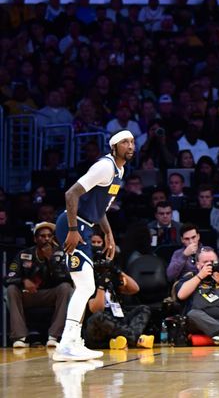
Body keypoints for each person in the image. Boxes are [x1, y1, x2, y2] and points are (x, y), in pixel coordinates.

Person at [53, 129, 135, 361]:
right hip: (74, 225)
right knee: (85, 285)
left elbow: (99, 209)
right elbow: (71, 194)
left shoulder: (120, 171)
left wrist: (108, 232)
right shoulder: (105, 167)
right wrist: (71, 230)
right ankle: (67, 343)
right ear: (114, 147)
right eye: (124, 142)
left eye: (132, 142)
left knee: (86, 286)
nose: (130, 146)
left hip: (86, 226)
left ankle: (71, 341)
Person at [5, 222, 72, 348]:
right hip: (29, 295)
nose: (46, 238)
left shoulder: (61, 255)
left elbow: (66, 278)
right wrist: (23, 280)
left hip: (50, 295)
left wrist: (50, 260)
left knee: (66, 288)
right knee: (11, 289)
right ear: (35, 239)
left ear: (53, 238)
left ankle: (54, 336)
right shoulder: (23, 255)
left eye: (49, 236)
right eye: (42, 236)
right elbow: (9, 278)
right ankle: (20, 337)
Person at [83, 234, 153, 350]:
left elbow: (135, 288)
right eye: (93, 242)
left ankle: (121, 341)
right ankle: (136, 339)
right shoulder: (86, 276)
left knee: (143, 309)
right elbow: (96, 309)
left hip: (118, 321)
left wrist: (117, 270)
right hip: (97, 328)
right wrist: (101, 285)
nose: (96, 246)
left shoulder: (112, 273)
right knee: (98, 316)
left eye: (99, 242)